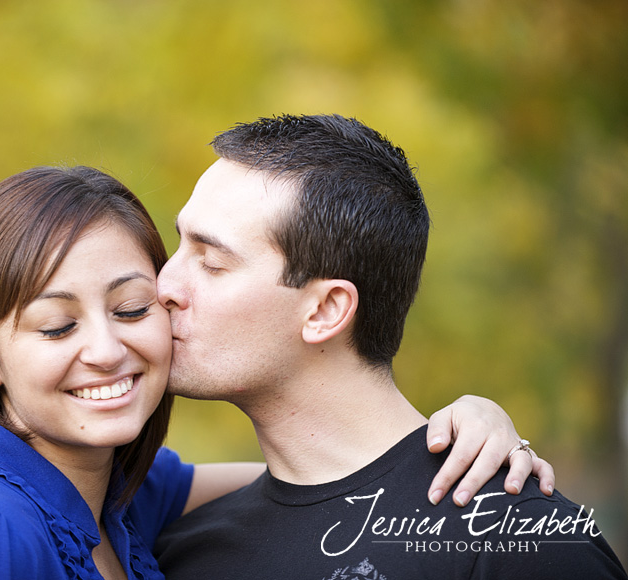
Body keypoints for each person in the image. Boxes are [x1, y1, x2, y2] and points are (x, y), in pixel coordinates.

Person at [0, 165, 551, 580]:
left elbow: (319, 474)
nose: (105, 349)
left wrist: (459, 427)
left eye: (132, 307)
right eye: (57, 326)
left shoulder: (127, 493)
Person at [153, 114, 626, 579]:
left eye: (211, 262)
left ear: (325, 310)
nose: (164, 284)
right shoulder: (180, 551)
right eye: (178, 247)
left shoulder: (516, 542)